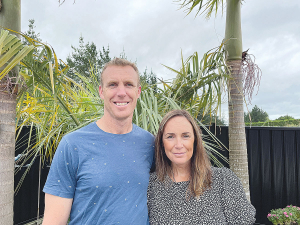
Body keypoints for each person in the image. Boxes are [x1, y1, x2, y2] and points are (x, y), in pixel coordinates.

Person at [42, 58, 154, 225]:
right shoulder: (72, 145)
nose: (122, 92)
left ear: (138, 92)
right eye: (113, 84)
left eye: (129, 84)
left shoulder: (150, 143)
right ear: (101, 92)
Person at [147, 109, 256, 224]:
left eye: (185, 136)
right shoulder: (150, 186)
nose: (178, 145)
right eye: (170, 137)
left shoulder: (223, 180)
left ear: (195, 140)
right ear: (161, 142)